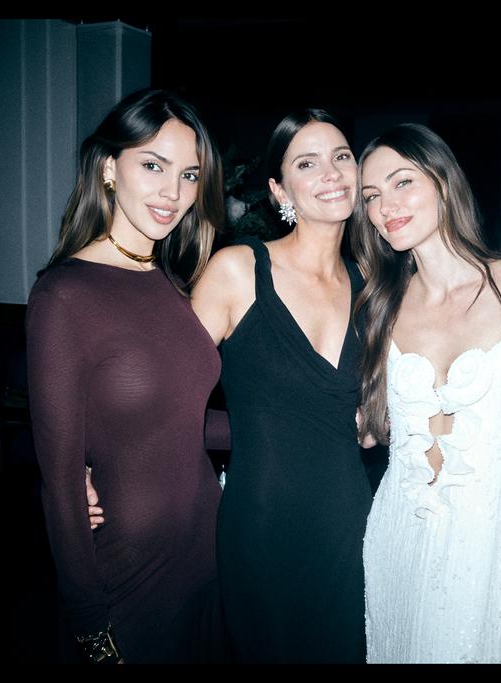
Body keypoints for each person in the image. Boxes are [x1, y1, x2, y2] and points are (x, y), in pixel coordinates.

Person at [26, 89, 228, 664]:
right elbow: (61, 482)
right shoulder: (64, 295)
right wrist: (91, 626)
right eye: (153, 166)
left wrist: (299, 423)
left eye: (189, 175)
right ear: (109, 168)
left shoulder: (172, 284)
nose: (173, 193)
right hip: (128, 580)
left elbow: (180, 421)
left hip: (206, 560)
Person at [352, 123, 501, 663]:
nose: (385, 207)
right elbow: (368, 425)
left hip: (489, 545)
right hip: (399, 536)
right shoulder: (379, 306)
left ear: (443, 182)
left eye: (402, 182)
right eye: (371, 196)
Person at [188, 109, 371, 663]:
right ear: (278, 189)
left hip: (351, 526)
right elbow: (169, 400)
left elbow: (373, 425)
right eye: (307, 163)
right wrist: (96, 466)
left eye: (341, 157)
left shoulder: (373, 288)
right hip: (261, 525)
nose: (331, 173)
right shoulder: (237, 271)